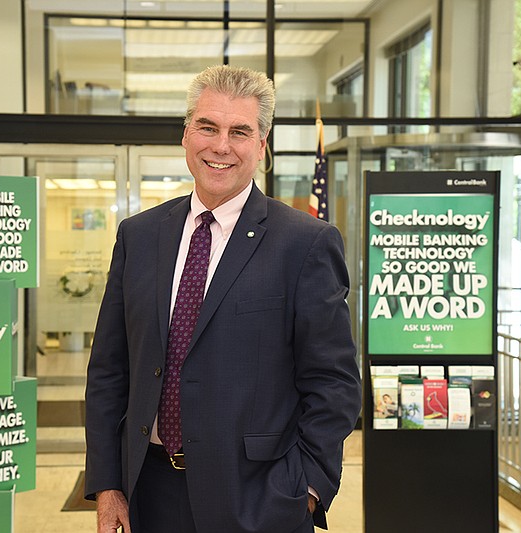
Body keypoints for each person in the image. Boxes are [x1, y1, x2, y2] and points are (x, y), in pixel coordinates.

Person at [84, 64, 361, 533]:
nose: (220, 145)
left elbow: (334, 383)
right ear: (186, 135)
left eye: (239, 131)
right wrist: (108, 483)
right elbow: (110, 371)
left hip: (258, 498)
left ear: (261, 146)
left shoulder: (305, 243)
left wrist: (306, 491)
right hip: (146, 493)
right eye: (207, 127)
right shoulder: (139, 235)